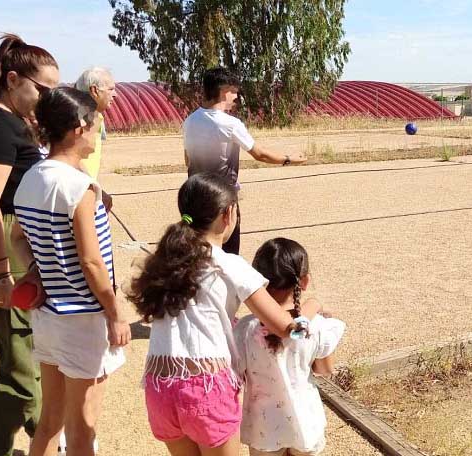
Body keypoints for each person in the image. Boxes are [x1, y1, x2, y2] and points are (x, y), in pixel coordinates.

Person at [127, 174, 308, 456]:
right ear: (228, 214)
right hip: (205, 387)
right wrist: (312, 309)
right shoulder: (229, 264)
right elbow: (288, 329)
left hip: (159, 385)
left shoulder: (165, 260)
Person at [12, 87, 131, 456]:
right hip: (84, 320)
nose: (99, 130)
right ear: (79, 127)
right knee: (83, 429)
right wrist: (116, 313)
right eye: (96, 124)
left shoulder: (32, 177)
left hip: (49, 317)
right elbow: (92, 262)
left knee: (50, 422)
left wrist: (37, 269)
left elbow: (17, 238)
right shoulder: (80, 189)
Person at [0, 33, 59, 456]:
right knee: (22, 367)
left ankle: (43, 439)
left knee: (22, 355)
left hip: (20, 239)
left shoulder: (18, 123)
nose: (47, 97)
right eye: (42, 89)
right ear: (12, 79)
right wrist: (2, 271)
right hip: (4, 240)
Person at [235, 238, 345, 456]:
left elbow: (236, 374)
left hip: (263, 428)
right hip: (305, 423)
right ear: (304, 281)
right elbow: (324, 370)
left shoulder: (245, 330)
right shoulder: (316, 325)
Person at [182, 67, 307, 254]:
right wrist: (289, 159)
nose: (236, 98)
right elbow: (259, 154)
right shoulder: (230, 124)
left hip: (193, 196)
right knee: (228, 253)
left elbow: (187, 159)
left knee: (198, 252)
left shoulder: (189, 121)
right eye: (234, 92)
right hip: (221, 199)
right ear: (224, 91)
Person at [74, 67, 116, 212]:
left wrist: (97, 189)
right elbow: (71, 158)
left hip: (87, 189)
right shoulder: (80, 118)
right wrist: (95, 189)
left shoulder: (98, 117)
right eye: (111, 89)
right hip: (78, 194)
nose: (115, 95)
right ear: (94, 90)